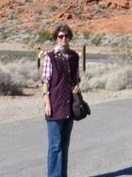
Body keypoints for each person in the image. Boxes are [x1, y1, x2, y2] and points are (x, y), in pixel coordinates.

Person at [41, 23, 80, 177]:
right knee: (55, 146)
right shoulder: (50, 57)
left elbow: (76, 78)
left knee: (64, 144)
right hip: (55, 104)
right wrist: (47, 103)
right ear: (56, 38)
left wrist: (76, 88)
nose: (64, 39)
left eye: (66, 36)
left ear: (70, 37)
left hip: (69, 104)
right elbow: (45, 82)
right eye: (61, 36)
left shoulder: (74, 56)